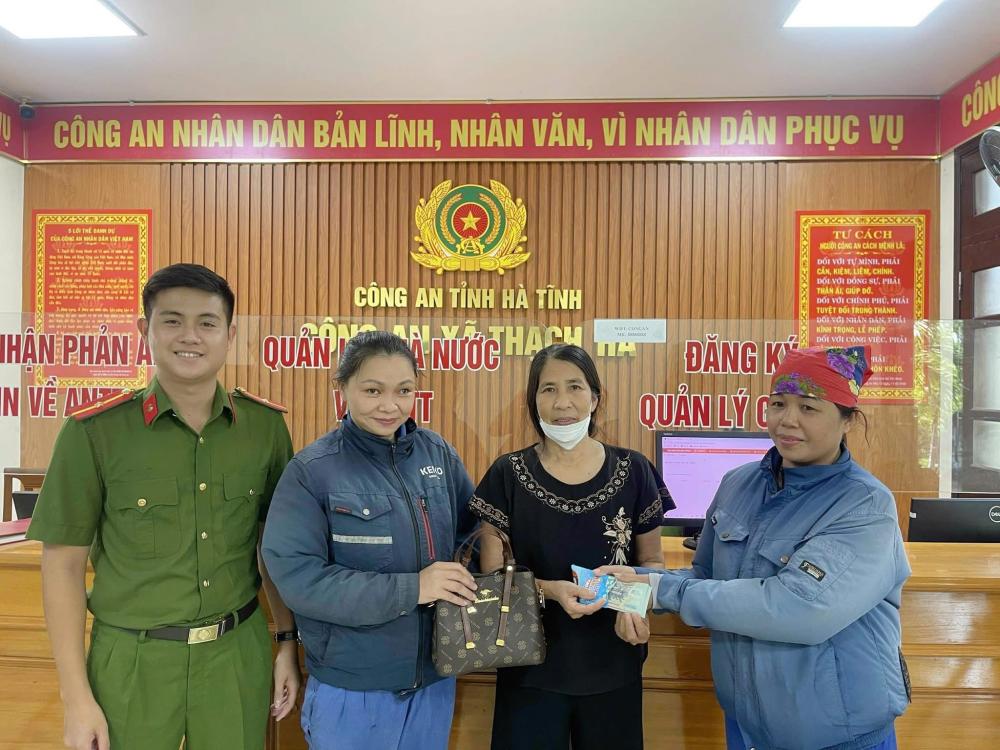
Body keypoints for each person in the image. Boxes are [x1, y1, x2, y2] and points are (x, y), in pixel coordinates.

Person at [27, 263, 300, 750]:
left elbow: (272, 548)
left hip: (236, 655)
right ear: (144, 330)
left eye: (207, 322)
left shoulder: (265, 429)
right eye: (171, 320)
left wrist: (285, 643)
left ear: (230, 334)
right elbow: (62, 566)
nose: (189, 336)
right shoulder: (94, 433)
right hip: (132, 663)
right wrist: (75, 698)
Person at [600, 345, 912, 750]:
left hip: (837, 732)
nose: (787, 420)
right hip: (748, 727)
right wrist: (637, 583)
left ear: (847, 418)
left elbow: (801, 608)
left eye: (809, 408)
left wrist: (663, 590)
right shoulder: (738, 483)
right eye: (777, 403)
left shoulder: (865, 505)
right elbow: (706, 577)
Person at [261, 330, 478, 750]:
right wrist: (414, 588)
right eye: (373, 390)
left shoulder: (438, 455)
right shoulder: (313, 471)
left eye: (404, 390)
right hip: (352, 689)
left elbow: (471, 536)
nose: (389, 405)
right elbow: (300, 578)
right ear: (341, 388)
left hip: (434, 681)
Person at [469, 343, 670, 750]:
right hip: (529, 667)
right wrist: (550, 590)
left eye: (575, 387)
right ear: (534, 400)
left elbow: (652, 563)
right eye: (548, 389)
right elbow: (492, 580)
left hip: (615, 662)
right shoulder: (507, 474)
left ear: (595, 397)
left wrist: (633, 603)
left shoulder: (634, 471)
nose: (563, 402)